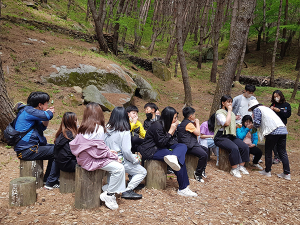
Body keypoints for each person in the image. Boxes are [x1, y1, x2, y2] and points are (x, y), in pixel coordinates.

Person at [69, 102, 126, 210]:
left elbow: (95, 148)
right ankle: (109, 194)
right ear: (99, 114)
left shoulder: (83, 127)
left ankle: (109, 188)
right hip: (91, 161)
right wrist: (113, 156)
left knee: (115, 164)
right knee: (120, 168)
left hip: (83, 159)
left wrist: (109, 151)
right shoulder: (98, 128)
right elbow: (99, 151)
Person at [138, 106, 197, 197]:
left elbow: (170, 141)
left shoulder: (167, 124)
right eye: (175, 118)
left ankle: (174, 156)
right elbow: (162, 143)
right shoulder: (157, 126)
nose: (176, 120)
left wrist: (173, 133)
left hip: (161, 147)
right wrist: (171, 131)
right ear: (168, 117)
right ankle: (183, 188)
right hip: (151, 150)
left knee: (182, 146)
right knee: (179, 160)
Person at [13, 91, 60, 190]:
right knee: (58, 151)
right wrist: (48, 112)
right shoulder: (29, 111)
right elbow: (48, 115)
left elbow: (42, 127)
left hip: (30, 148)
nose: (48, 104)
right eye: (47, 103)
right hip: (26, 151)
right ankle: (50, 182)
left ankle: (48, 179)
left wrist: (46, 113)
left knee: (57, 148)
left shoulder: (32, 113)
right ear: (40, 105)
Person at [105, 107, 147, 200]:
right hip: (119, 160)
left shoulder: (107, 127)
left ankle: (109, 188)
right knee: (142, 171)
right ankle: (127, 190)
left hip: (106, 158)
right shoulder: (125, 130)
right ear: (125, 116)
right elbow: (126, 151)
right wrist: (134, 159)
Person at [248, 99, 291, 180]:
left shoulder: (257, 109)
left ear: (252, 107)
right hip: (282, 130)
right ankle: (287, 173)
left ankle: (267, 171)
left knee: (268, 150)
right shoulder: (266, 108)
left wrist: (251, 127)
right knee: (282, 151)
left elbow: (257, 123)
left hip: (272, 131)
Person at [214, 95, 250, 178]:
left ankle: (241, 166)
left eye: (231, 102)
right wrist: (230, 111)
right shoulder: (219, 113)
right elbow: (226, 123)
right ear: (223, 103)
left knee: (244, 146)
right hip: (220, 137)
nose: (230, 104)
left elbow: (231, 124)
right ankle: (234, 169)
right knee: (234, 148)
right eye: (228, 102)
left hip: (231, 136)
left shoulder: (232, 114)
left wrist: (236, 126)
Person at [177, 107, 208, 183]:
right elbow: (198, 133)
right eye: (194, 115)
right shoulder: (188, 124)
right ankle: (198, 174)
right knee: (203, 155)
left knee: (206, 150)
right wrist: (197, 123)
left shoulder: (185, 122)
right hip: (189, 146)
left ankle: (203, 169)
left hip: (190, 144)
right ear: (190, 116)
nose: (195, 116)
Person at [270, 90, 291, 164]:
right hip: (273, 126)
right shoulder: (273, 104)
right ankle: (276, 157)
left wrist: (279, 111)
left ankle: (282, 157)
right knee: (274, 143)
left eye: (277, 96)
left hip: (282, 126)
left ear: (281, 96)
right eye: (274, 97)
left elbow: (287, 115)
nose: (276, 98)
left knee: (281, 143)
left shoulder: (286, 105)